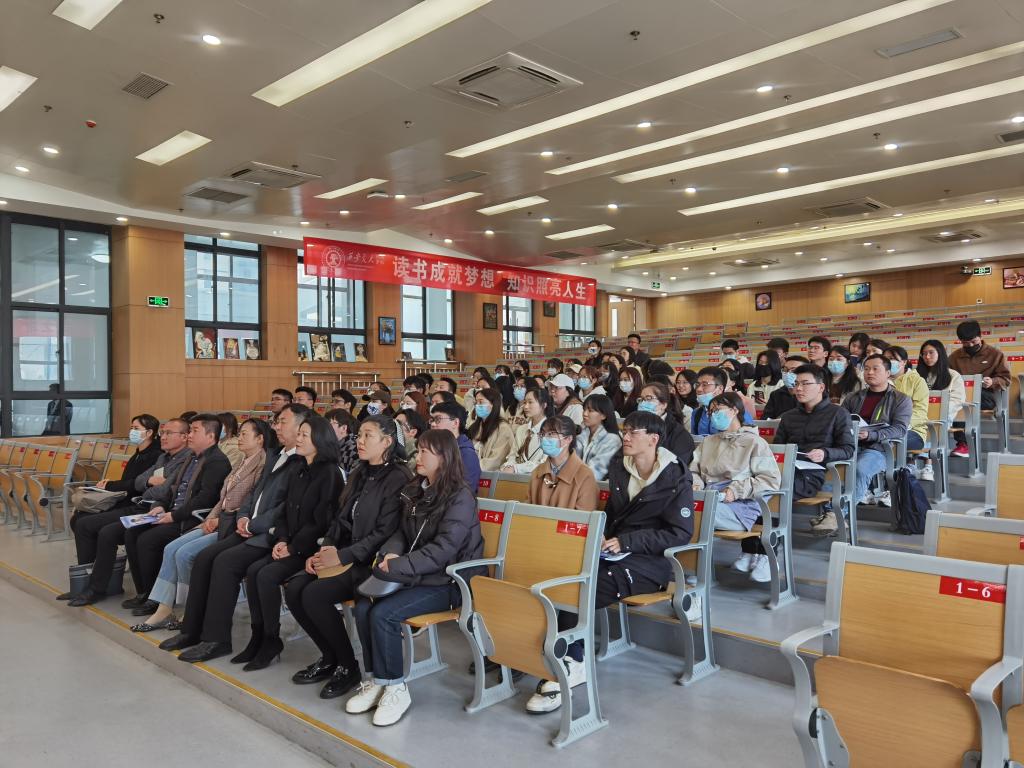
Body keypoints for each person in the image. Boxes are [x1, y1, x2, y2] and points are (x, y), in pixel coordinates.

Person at [525, 411, 691, 714]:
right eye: (625, 431)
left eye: (633, 432)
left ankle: (573, 660)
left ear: (653, 439)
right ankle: (557, 652)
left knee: (586, 588)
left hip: (650, 563)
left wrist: (627, 542)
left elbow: (679, 533)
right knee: (568, 573)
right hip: (614, 551)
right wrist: (600, 536)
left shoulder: (675, 476)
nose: (625, 437)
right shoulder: (620, 467)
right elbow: (613, 515)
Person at [345, 429, 483, 726]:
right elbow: (400, 533)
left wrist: (399, 565)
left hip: (450, 582)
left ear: (443, 458)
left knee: (383, 613)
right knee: (365, 605)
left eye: (424, 452)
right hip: (417, 574)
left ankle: (396, 687)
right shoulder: (415, 490)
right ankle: (378, 679)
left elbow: (443, 550)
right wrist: (390, 554)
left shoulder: (460, 497)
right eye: (417, 449)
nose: (416, 456)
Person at [158, 404, 309, 657]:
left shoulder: (301, 461)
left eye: (283, 422)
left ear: (301, 427)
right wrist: (244, 516)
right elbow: (253, 493)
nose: (277, 427)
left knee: (224, 563)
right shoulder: (276, 456)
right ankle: (191, 630)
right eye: (277, 422)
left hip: (269, 533)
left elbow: (285, 506)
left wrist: (252, 524)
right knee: (204, 558)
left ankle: (217, 639)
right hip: (248, 526)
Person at [285, 416, 412, 698]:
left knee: (314, 595)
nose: (359, 441)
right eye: (359, 435)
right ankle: (330, 657)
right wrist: (326, 549)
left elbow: (385, 532)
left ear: (387, 442)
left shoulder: (399, 478)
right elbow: (340, 519)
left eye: (368, 436)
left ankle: (347, 665)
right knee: (294, 589)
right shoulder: (360, 471)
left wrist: (341, 556)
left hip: (371, 564)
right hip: (345, 555)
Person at [130, 419, 272, 632]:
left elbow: (248, 504)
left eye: (244, 434)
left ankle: (190, 608)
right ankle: (164, 608)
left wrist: (216, 519)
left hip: (231, 525)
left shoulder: (260, 465)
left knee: (184, 553)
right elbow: (222, 499)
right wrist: (211, 518)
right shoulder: (240, 461)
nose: (239, 438)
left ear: (259, 439)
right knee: (171, 549)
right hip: (215, 519)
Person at [230, 415, 343, 671]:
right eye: (299, 433)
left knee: (266, 575)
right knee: (253, 570)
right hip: (290, 543)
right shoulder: (299, 468)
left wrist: (292, 547)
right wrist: (282, 539)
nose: (298, 439)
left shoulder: (329, 473)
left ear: (320, 440)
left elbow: (321, 521)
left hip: (310, 548)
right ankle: (259, 636)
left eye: (304, 435)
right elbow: (285, 513)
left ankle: (271, 639)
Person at [61, 417, 193, 606]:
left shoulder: (186, 460)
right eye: (163, 433)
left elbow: (164, 491)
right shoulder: (163, 457)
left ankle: (97, 588)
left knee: (107, 532)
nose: (163, 437)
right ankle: (85, 583)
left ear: (184, 437)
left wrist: (148, 487)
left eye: (168, 433)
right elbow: (139, 481)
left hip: (155, 509)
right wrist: (149, 483)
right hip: (141, 504)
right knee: (83, 523)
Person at [118, 415, 233, 610]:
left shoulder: (217, 462)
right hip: (172, 512)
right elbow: (172, 488)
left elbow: (204, 499)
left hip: (191, 518)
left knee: (148, 540)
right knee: (132, 532)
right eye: (190, 430)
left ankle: (157, 597)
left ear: (211, 436)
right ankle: (143, 591)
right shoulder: (191, 456)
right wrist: (161, 505)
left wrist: (173, 516)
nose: (190, 435)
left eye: (195, 431)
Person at [690, 392, 781, 583]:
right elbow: (693, 471)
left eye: (718, 410)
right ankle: (691, 567)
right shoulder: (709, 441)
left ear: (734, 410)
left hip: (739, 506)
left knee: (690, 513)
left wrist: (735, 491)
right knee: (682, 509)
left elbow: (769, 480)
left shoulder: (754, 442)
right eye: (711, 412)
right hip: (709, 497)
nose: (713, 415)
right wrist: (696, 483)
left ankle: (695, 570)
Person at [63, 413, 162, 575]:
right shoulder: (138, 453)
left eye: (136, 428)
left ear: (149, 432)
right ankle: (92, 566)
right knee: (78, 518)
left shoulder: (156, 455)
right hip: (125, 499)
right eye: (131, 428)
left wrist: (110, 485)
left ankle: (94, 573)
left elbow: (137, 485)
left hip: (137, 504)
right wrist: (110, 486)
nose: (132, 431)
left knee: (87, 524)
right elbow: (130, 482)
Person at [774, 364, 856, 535]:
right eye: (796, 384)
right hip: (785, 470)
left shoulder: (838, 414)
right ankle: (759, 542)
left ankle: (770, 541)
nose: (798, 388)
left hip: (812, 474)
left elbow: (848, 449)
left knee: (773, 490)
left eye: (805, 383)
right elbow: (778, 447)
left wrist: (825, 453)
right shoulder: (788, 416)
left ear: (821, 387)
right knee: (760, 486)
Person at [840, 355, 911, 516]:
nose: (869, 372)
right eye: (866, 369)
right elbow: (840, 421)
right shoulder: (853, 397)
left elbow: (900, 429)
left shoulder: (900, 399)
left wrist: (871, 435)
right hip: (850, 445)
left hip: (879, 448)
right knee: (831, 465)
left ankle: (838, 514)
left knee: (860, 469)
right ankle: (829, 509)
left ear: (888, 373)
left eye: (875, 369)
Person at [948, 319, 1010, 457]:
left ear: (980, 336)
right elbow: (946, 377)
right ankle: (963, 443)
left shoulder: (995, 354)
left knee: (961, 400)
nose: (970, 345)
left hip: (987, 396)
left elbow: (1006, 379)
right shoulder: (954, 358)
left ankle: (964, 444)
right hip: (963, 396)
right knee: (957, 400)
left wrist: (992, 381)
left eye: (973, 341)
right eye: (966, 343)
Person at [916, 339, 966, 479]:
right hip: (918, 415)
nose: (927, 357)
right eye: (924, 354)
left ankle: (928, 465)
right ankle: (910, 463)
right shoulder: (916, 375)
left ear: (940, 353)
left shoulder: (953, 375)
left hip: (941, 415)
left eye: (931, 353)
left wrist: (936, 410)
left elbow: (957, 400)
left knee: (931, 424)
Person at [528, 416, 599, 510]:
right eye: (542, 433)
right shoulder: (537, 472)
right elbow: (527, 510)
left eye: (551, 434)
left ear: (568, 439)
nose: (544, 438)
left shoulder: (585, 475)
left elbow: (584, 516)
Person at [637, 381, 696, 466]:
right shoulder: (635, 428)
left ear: (663, 404)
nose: (643, 403)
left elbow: (678, 467)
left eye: (649, 398)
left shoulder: (679, 435)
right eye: (641, 400)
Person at [428, 401, 481, 492]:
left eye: (438, 419)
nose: (432, 424)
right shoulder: (434, 449)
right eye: (432, 420)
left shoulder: (466, 454)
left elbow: (464, 493)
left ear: (455, 423)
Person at [884, 345, 928, 454]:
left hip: (913, 431)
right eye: (885, 359)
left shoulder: (917, 381)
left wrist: (898, 424)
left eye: (892, 358)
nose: (888, 362)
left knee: (887, 441)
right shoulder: (880, 381)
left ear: (904, 362)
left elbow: (920, 412)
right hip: (884, 428)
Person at [501, 388, 553, 475]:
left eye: (530, 402)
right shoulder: (521, 429)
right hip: (515, 477)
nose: (525, 406)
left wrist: (516, 468)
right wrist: (509, 466)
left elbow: (545, 463)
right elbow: (512, 455)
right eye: (525, 402)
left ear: (544, 405)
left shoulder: (551, 432)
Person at [576, 394, 622, 482]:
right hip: (577, 482)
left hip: (596, 486)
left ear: (603, 415)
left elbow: (596, 472)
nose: (585, 414)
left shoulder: (612, 440)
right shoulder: (582, 434)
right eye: (584, 409)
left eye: (590, 410)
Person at [467, 388, 516, 471]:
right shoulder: (475, 426)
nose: (477, 405)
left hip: (489, 473)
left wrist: (470, 468)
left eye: (481, 402)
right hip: (471, 470)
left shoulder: (503, 428)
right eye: (476, 403)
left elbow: (496, 460)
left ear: (493, 404)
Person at [691, 367, 726, 435]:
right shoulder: (697, 413)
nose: (699, 389)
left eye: (705, 385)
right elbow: (694, 438)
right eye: (697, 385)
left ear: (720, 389)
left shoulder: (732, 412)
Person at [326, 408, 360, 475]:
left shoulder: (354, 450)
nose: (326, 427)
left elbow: (353, 478)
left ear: (343, 428)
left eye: (331, 423)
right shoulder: (330, 446)